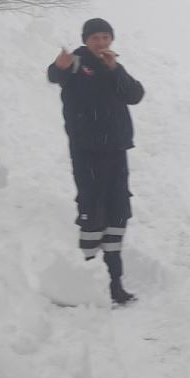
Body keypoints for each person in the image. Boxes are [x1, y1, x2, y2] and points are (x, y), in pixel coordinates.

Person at [47, 18, 145, 306]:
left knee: (117, 210)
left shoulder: (114, 66)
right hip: (87, 152)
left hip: (116, 150)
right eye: (95, 38)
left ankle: (115, 284)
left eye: (105, 37)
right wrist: (58, 67)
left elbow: (135, 95)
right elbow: (55, 75)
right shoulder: (77, 62)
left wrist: (115, 70)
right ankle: (86, 276)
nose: (101, 43)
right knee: (92, 209)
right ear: (86, 40)